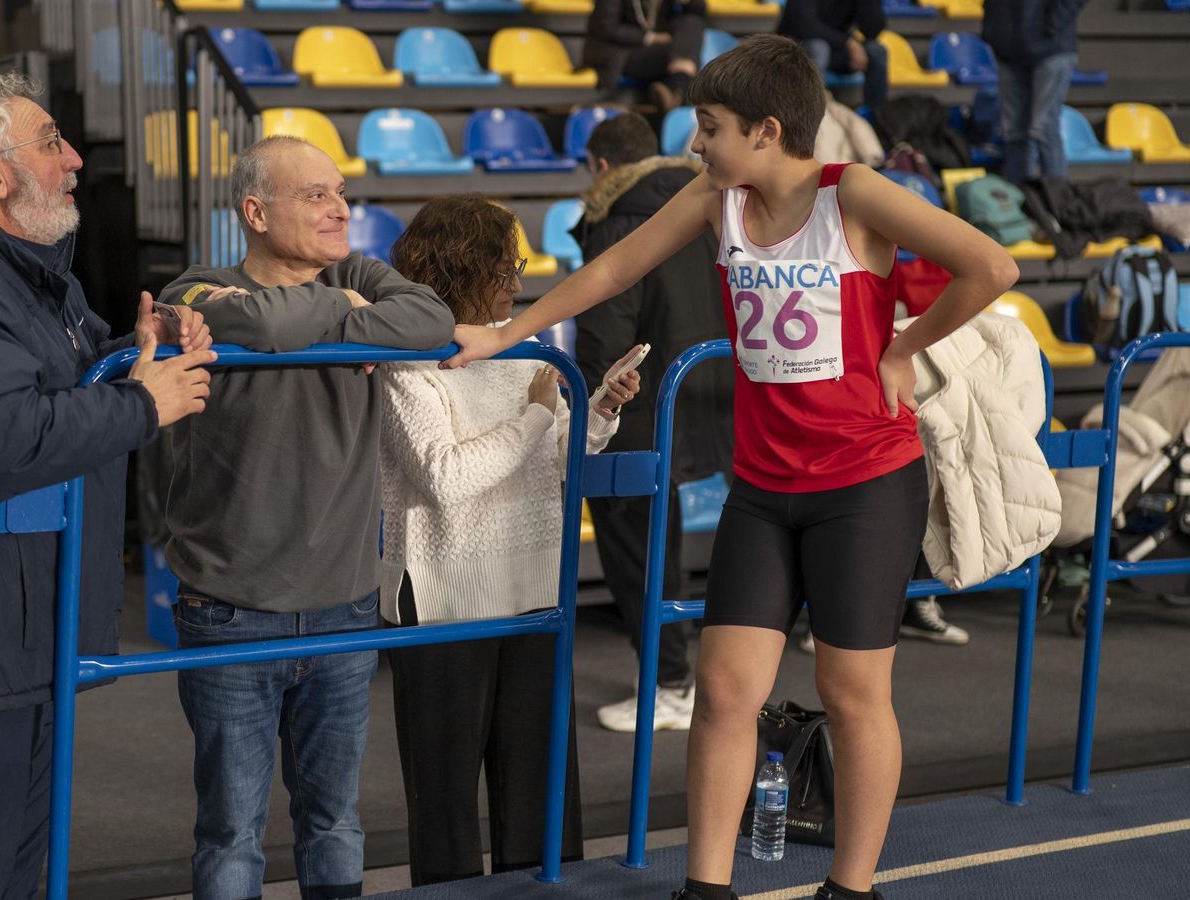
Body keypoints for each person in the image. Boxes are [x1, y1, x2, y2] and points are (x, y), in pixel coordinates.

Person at [445, 35, 1019, 900]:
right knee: (722, 691)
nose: (695, 145)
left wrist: (904, 346)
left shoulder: (851, 193)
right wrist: (503, 334)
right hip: (764, 486)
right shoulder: (717, 197)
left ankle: (851, 887)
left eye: (707, 127)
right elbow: (614, 265)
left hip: (863, 482)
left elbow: (993, 265)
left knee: (850, 690)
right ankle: (706, 887)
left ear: (766, 129)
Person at [0, 73, 214, 899]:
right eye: (50, 141)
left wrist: (142, 341)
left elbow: (75, 372)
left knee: (21, 864)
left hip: (25, 618)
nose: (75, 158)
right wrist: (143, 404)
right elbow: (9, 438)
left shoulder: (29, 271)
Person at [157, 135, 455, 900]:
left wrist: (333, 313)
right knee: (230, 833)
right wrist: (349, 315)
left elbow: (429, 319)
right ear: (255, 212)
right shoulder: (193, 290)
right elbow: (253, 328)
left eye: (341, 192)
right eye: (315, 195)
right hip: (231, 611)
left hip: (344, 608)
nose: (339, 209)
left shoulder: (359, 272)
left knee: (335, 823)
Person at [379, 194, 640, 883]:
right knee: (445, 814)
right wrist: (534, 416)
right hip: (442, 605)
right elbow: (446, 479)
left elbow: (555, 460)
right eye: (504, 267)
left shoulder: (526, 347)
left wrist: (598, 411)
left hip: (534, 592)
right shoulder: (408, 363)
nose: (518, 285)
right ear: (463, 267)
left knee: (544, 807)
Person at [575, 114, 735, 733]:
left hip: (640, 405)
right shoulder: (707, 204)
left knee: (637, 550)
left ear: (603, 168)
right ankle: (678, 678)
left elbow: (604, 330)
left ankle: (670, 684)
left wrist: (591, 408)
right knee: (663, 548)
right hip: (714, 390)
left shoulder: (617, 219)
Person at [983, 0, 1087, 185]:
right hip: (1007, 46)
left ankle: (1057, 205)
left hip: (1052, 47)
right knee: (1013, 131)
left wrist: (1051, 24)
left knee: (1044, 129)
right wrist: (993, 29)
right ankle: (1022, 204)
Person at [585, 0, 708, 111]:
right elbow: (606, 28)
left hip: (662, 50)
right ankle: (680, 92)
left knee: (692, 21)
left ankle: (675, 93)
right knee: (682, 50)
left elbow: (699, 10)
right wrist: (649, 38)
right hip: (619, 52)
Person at [776, 0, 890, 113]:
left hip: (837, 49)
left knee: (876, 50)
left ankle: (878, 118)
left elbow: (873, 30)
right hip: (796, 50)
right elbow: (804, 25)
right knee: (819, 47)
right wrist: (848, 43)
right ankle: (808, 114)